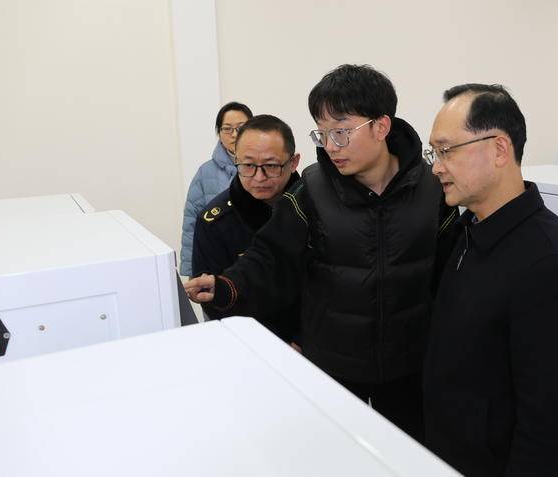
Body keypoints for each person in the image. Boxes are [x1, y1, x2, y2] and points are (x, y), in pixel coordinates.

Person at [185, 64, 459, 441]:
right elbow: (270, 259)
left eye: (341, 132)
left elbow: (450, 273)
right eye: (323, 133)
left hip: (409, 365)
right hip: (333, 367)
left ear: (381, 126)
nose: (330, 146)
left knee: (409, 456)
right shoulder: (312, 190)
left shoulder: (431, 188)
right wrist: (225, 285)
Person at [422, 83, 558, 476]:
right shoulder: (468, 231)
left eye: (447, 150)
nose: (436, 166)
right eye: (434, 153)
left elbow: (550, 427)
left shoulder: (553, 264)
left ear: (500, 149)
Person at [192, 114, 300, 340]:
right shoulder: (214, 222)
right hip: (252, 342)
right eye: (248, 165)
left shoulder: (314, 204)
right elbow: (213, 301)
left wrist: (300, 339)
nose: (259, 177)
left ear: (293, 162)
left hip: (314, 340)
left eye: (271, 166)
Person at [179, 101, 253, 276]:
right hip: (219, 261)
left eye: (241, 127)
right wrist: (191, 272)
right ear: (219, 133)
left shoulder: (266, 167)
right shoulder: (205, 173)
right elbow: (191, 224)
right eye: (227, 129)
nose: (234, 134)